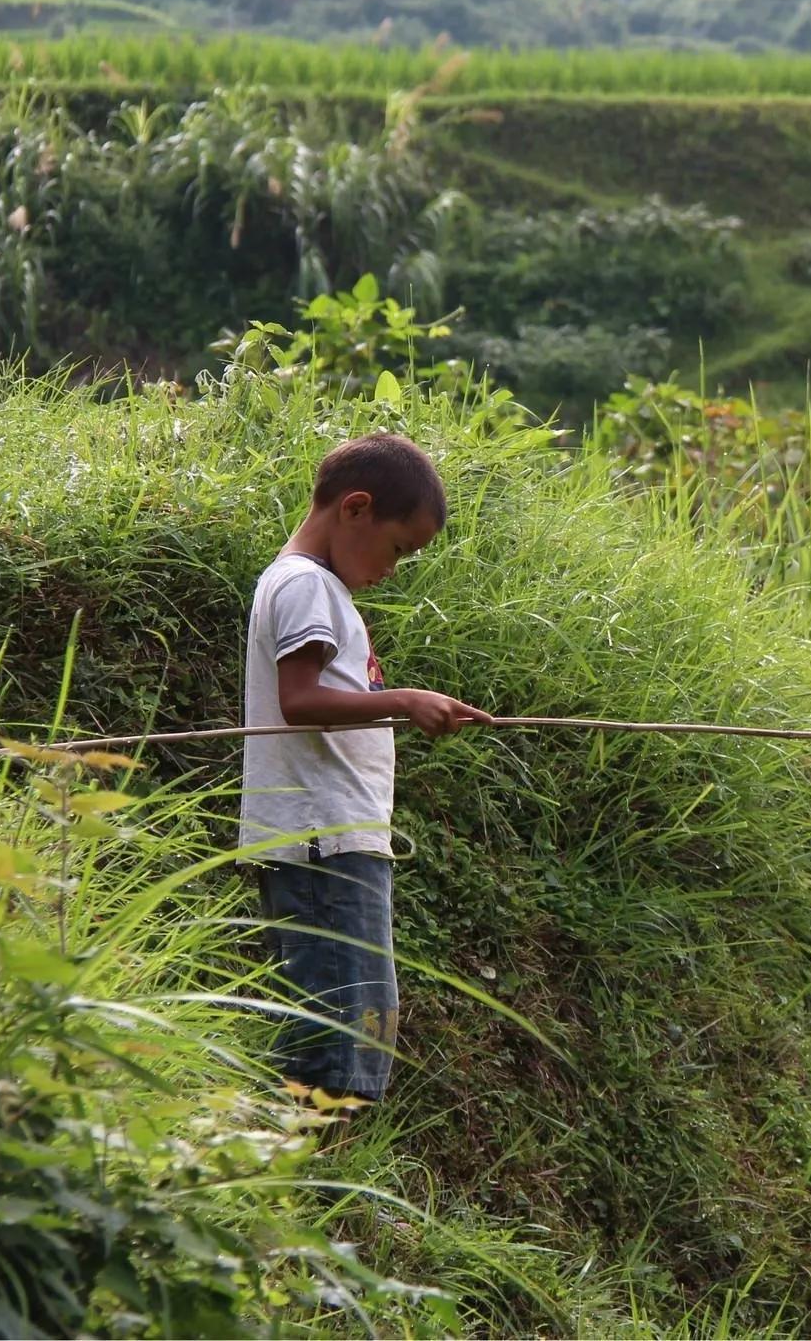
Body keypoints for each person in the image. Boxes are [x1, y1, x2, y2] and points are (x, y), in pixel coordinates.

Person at [240, 431, 491, 1114]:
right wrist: (405, 702)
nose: (394, 567)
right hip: (324, 845)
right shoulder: (305, 586)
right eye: (399, 548)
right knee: (331, 1051)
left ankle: (312, 1197)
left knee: (357, 1037)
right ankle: (300, 1199)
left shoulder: (312, 589)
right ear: (355, 509)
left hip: (339, 844)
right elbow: (300, 701)